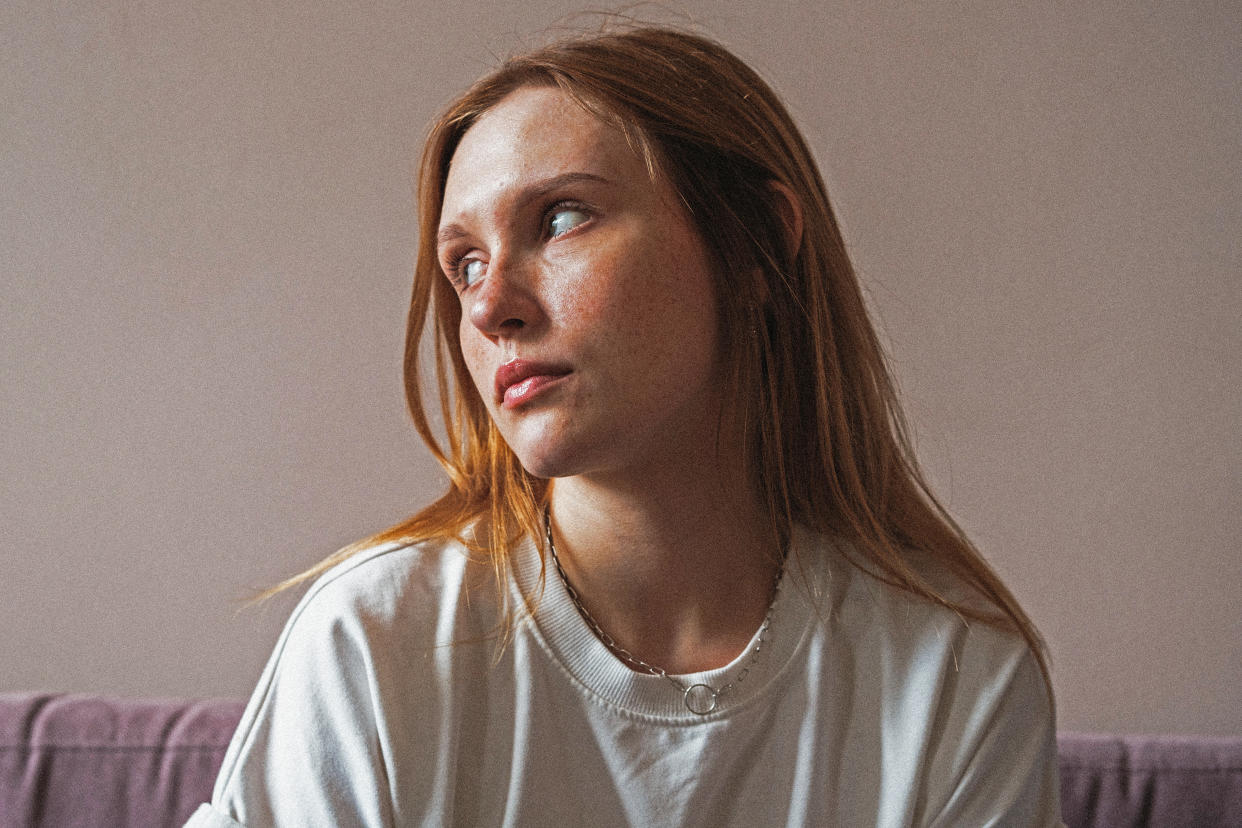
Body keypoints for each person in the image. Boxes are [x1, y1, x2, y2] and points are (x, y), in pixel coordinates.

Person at [186, 24, 1061, 827]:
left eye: (561, 218)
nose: (491, 307)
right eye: (465, 264)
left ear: (754, 244)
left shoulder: (953, 679)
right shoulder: (377, 644)